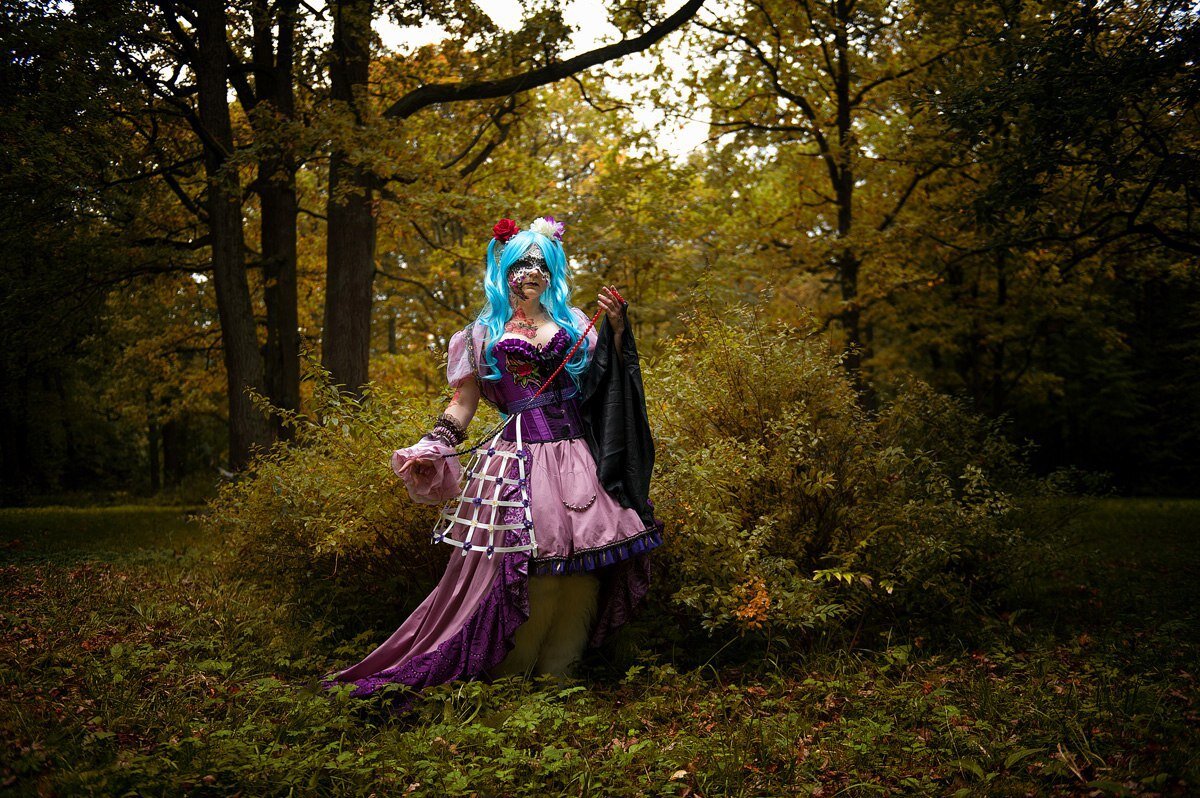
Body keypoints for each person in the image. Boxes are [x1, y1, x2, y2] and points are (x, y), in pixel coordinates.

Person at [320, 215, 664, 711]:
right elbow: (463, 404)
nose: (531, 272)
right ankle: (513, 678)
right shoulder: (480, 335)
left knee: (579, 571)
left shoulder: (575, 325)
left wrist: (616, 328)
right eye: (521, 264)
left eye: (541, 264)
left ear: (553, 271)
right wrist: (432, 445)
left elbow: (607, 388)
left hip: (580, 459)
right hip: (519, 463)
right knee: (536, 570)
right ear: (504, 270)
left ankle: (559, 675)